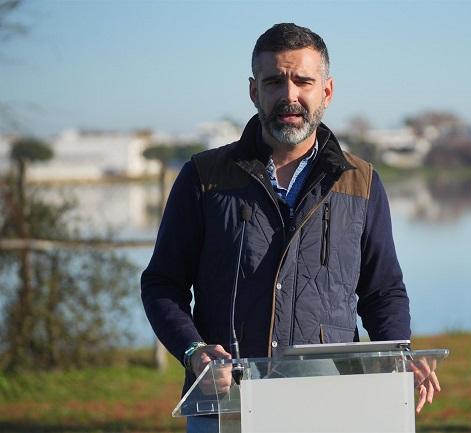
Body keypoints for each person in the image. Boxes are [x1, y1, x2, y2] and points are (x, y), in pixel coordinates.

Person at [141, 23, 440, 432]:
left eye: (303, 81)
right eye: (274, 81)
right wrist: (193, 351)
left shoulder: (362, 182)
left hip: (333, 406)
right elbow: (161, 283)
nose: (289, 95)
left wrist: (399, 355)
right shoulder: (202, 177)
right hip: (226, 405)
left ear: (327, 91)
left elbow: (383, 290)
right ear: (253, 91)